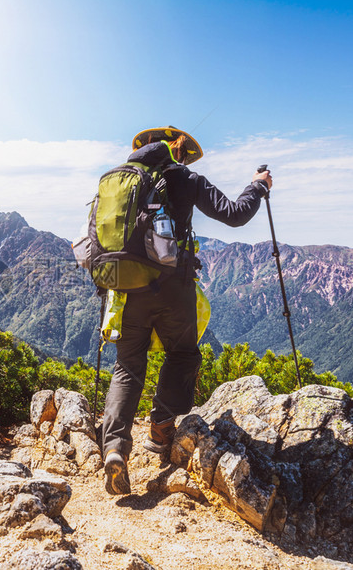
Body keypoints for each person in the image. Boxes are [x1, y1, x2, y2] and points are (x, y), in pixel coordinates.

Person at [102, 126, 272, 495]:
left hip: (127, 288)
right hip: (172, 285)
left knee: (128, 364)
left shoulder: (121, 181)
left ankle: (114, 447)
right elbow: (235, 214)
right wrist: (258, 185)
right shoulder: (188, 179)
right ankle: (162, 429)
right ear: (179, 152)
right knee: (182, 355)